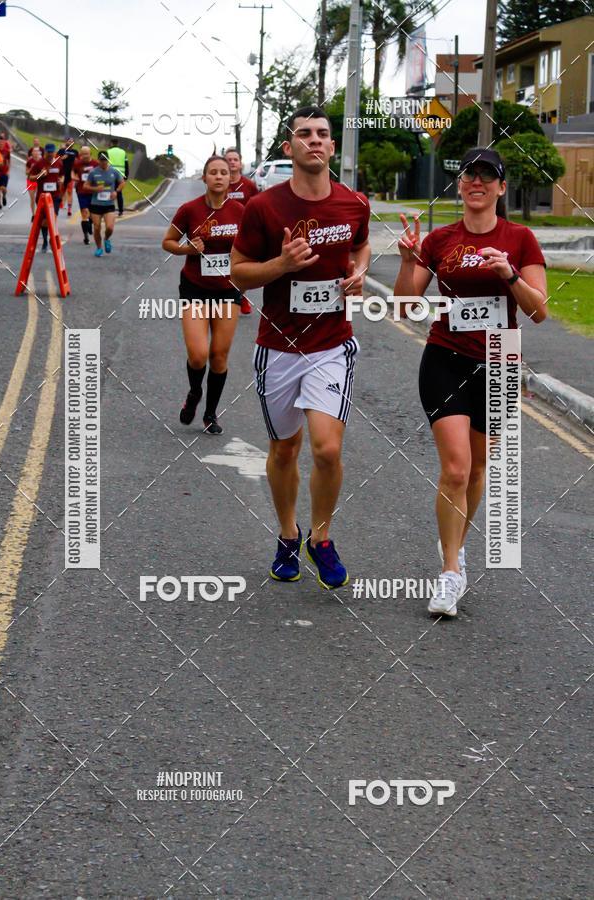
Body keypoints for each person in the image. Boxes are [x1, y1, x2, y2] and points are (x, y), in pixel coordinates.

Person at [394, 148, 547, 618]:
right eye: (469, 175)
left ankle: (455, 556)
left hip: (500, 360)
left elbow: (539, 310)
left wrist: (509, 274)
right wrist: (406, 260)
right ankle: (450, 568)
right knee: (456, 468)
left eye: (487, 176)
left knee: (478, 469)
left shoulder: (520, 238)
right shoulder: (440, 240)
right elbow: (403, 306)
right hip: (446, 357)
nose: (476, 182)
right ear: (460, 185)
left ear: (502, 188)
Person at [231, 106, 371, 590]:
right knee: (284, 449)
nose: (315, 140)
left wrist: (359, 272)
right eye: (305, 134)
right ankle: (288, 533)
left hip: (333, 344)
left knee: (327, 450)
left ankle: (322, 537)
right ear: (288, 148)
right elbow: (238, 273)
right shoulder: (264, 208)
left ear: (333, 147)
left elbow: (359, 245)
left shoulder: (354, 204)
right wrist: (282, 264)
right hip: (278, 348)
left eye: (324, 134)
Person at [161, 155, 243, 435]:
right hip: (195, 289)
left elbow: (254, 246)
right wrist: (188, 250)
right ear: (205, 178)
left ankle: (210, 413)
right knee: (198, 356)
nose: (219, 176)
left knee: (219, 355)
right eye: (213, 172)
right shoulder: (189, 210)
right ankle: (195, 392)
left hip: (227, 290)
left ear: (230, 178)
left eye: (224, 172)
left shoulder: (241, 212)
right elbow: (168, 242)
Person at [225, 147, 259, 316]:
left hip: (244, 233)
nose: (232, 162)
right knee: (223, 269)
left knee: (242, 269)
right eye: (229, 159)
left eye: (235, 159)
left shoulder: (249, 185)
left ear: (240, 163)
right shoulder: (219, 183)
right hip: (222, 231)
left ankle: (240, 295)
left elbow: (257, 207)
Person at [85, 152, 124, 257]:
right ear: (98, 160)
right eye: (102, 160)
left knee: (110, 227)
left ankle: (106, 239)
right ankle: (98, 248)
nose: (104, 162)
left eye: (105, 160)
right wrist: (95, 189)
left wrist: (116, 191)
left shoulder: (114, 172)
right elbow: (85, 186)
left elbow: (122, 183)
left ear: (108, 160)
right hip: (96, 204)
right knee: (97, 227)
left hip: (109, 204)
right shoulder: (93, 172)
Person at [28, 143, 64, 251]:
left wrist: (61, 180)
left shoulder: (58, 162)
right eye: (48, 152)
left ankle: (51, 239)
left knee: (52, 217)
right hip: (42, 196)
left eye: (52, 152)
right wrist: (40, 175)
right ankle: (45, 240)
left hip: (55, 196)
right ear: (45, 152)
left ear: (54, 152)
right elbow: (30, 177)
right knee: (44, 221)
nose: (50, 154)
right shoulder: (39, 164)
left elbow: (62, 175)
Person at [71, 146, 96, 244]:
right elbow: (72, 172)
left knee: (93, 214)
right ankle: (86, 236)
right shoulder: (77, 163)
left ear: (90, 154)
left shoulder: (95, 164)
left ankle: (90, 223)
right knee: (84, 212)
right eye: (83, 154)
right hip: (81, 191)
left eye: (86, 154)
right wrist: (74, 178)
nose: (84, 156)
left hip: (93, 192)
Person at [106, 138, 129, 216]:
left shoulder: (108, 152)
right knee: (119, 193)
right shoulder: (123, 152)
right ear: (118, 144)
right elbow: (126, 165)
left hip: (110, 174)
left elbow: (104, 164)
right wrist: (126, 177)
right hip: (120, 176)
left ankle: (109, 209)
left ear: (111, 143)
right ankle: (121, 211)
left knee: (109, 192)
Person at [59, 136, 78, 216]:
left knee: (70, 192)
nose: (70, 143)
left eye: (72, 141)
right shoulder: (62, 150)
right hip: (62, 174)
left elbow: (78, 163)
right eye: (69, 141)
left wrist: (76, 174)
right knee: (61, 191)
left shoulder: (75, 152)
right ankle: (59, 204)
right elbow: (55, 161)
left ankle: (69, 209)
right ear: (66, 142)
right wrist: (63, 158)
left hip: (71, 174)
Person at [25, 146, 42, 217]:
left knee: (38, 198)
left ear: (39, 152)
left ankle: (39, 213)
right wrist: (31, 169)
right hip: (30, 181)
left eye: (37, 151)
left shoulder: (41, 161)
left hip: (39, 181)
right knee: (32, 199)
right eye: (34, 151)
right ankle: (33, 214)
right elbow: (26, 172)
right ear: (32, 153)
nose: (36, 153)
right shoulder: (29, 161)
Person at [0, 135, 10, 209]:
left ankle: (4, 196)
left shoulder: (6, 151)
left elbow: (8, 161)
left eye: (2, 142)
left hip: (4, 173)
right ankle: (0, 204)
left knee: (3, 188)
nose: (1, 144)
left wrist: (8, 171)